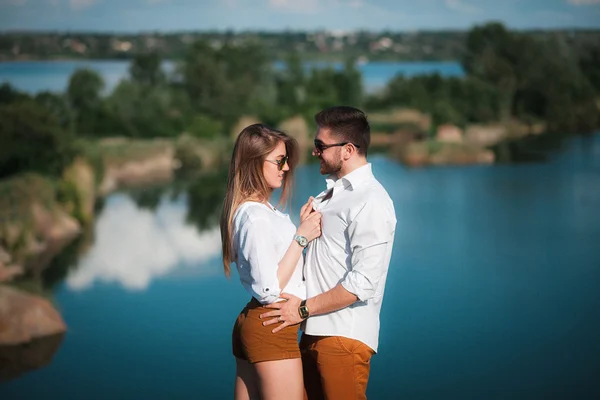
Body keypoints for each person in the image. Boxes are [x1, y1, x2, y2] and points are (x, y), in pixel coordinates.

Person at [260, 106, 397, 400]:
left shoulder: (371, 199)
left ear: (347, 150)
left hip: (342, 337)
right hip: (314, 333)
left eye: (320, 146)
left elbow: (363, 283)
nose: (314, 152)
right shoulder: (331, 195)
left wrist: (303, 308)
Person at [220, 123, 322, 400]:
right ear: (254, 162)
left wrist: (299, 230)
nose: (286, 167)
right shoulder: (255, 216)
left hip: (258, 322)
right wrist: (300, 238)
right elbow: (268, 289)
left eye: (286, 160)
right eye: (279, 160)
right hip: (272, 325)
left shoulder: (259, 211)